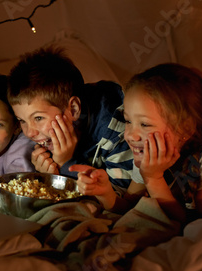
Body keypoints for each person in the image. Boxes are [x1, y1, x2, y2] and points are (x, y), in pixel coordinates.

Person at [70, 63, 202, 223]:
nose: (131, 135)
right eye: (128, 121)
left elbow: (190, 223)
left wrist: (154, 179)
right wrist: (105, 192)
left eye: (145, 125)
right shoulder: (146, 154)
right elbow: (131, 207)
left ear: (185, 128)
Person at [8, 46, 134, 192]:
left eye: (38, 118)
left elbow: (119, 196)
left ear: (73, 109)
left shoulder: (117, 128)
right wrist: (51, 174)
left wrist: (65, 163)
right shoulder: (49, 134)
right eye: (22, 120)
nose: (29, 133)